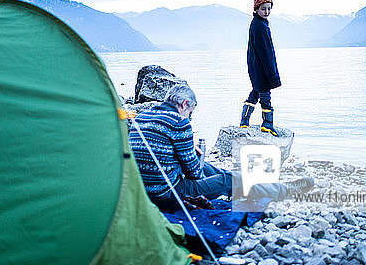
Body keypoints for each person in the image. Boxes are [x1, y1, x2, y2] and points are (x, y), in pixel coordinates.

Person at [129, 84, 313, 211]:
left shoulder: (142, 117)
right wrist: (192, 156)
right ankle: (285, 191)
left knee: (212, 169)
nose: (189, 118)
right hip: (166, 194)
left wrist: (186, 154)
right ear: (185, 104)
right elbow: (194, 174)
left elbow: (157, 154)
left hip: (142, 191)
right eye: (190, 113)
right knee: (230, 180)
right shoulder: (179, 123)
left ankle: (265, 185)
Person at [240, 0, 281, 135]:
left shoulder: (256, 23)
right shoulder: (260, 26)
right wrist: (272, 74)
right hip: (261, 67)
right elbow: (266, 52)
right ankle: (267, 124)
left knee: (255, 92)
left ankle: (244, 122)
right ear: (256, 9)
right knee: (265, 96)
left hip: (254, 66)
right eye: (263, 8)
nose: (267, 11)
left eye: (269, 8)